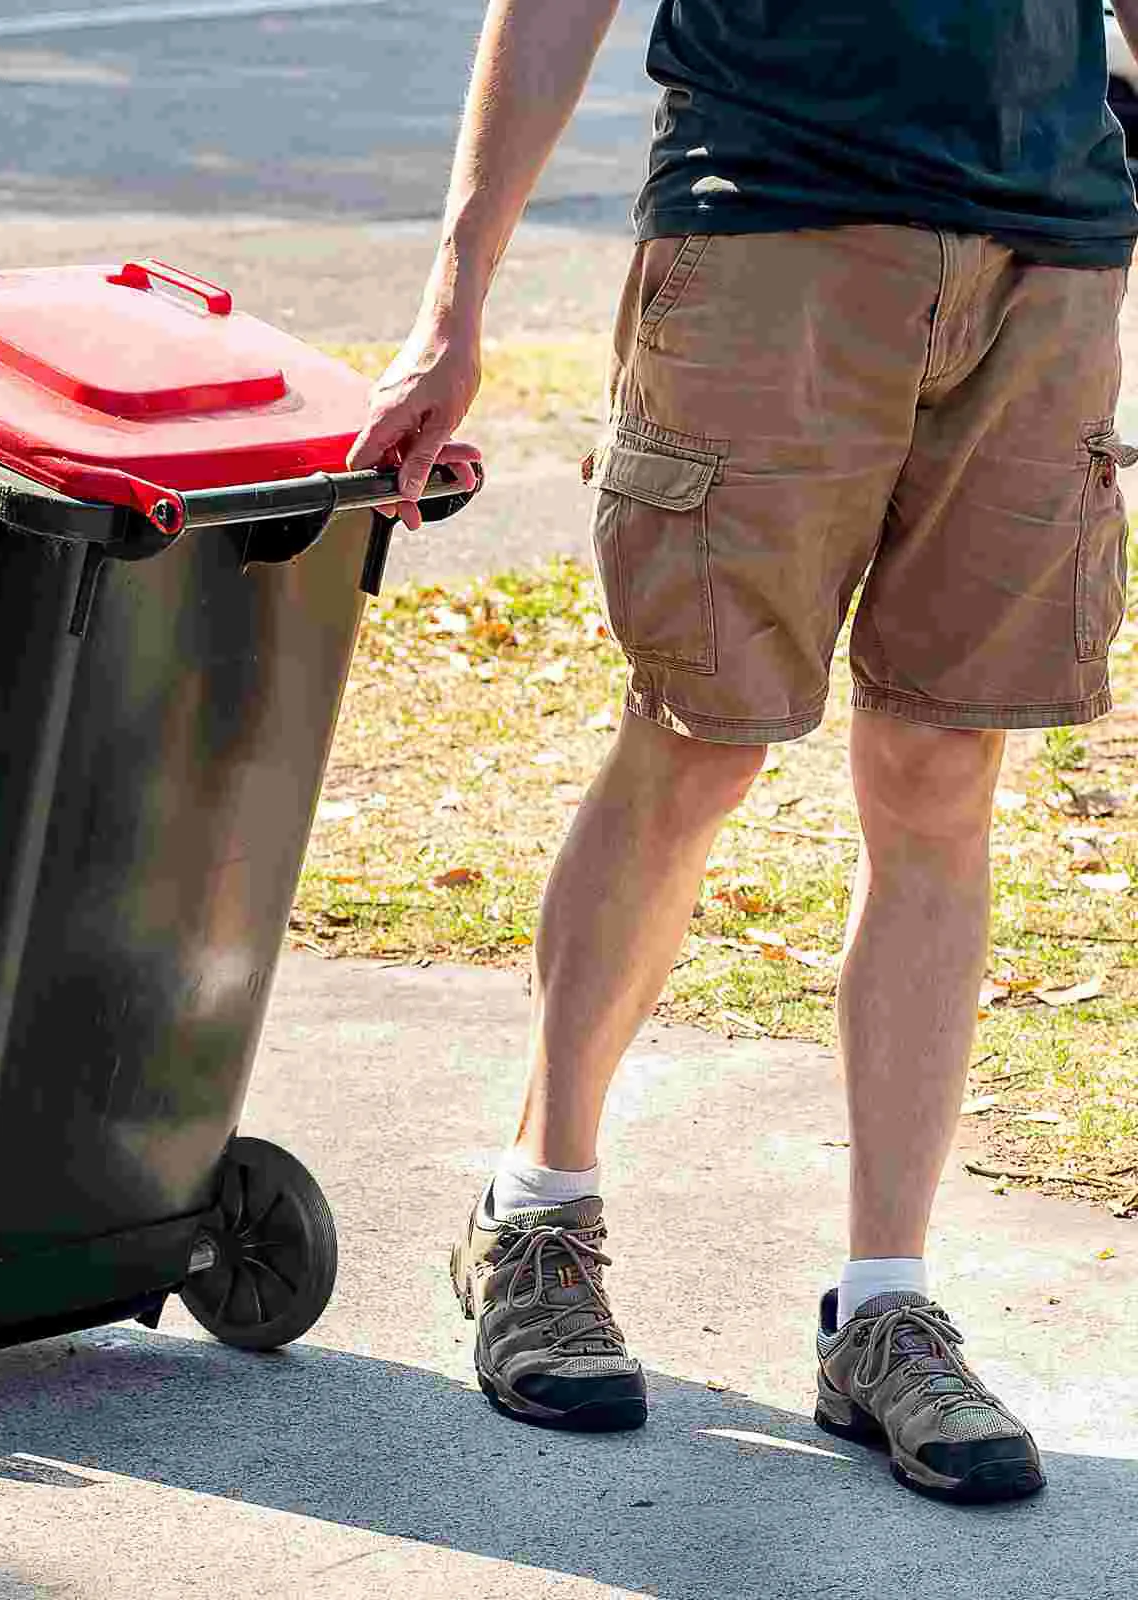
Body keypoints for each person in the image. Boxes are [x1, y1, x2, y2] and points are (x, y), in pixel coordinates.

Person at [349, 0, 1138, 1505]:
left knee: (942, 778)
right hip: (771, 217)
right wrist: (455, 300)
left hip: (1053, 249)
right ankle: (537, 1218)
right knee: (698, 744)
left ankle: (884, 1306)